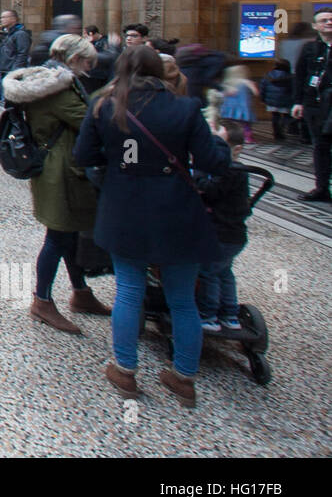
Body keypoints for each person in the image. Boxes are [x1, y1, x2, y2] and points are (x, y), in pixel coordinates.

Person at [74, 45, 232, 408]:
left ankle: (126, 371)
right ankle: (184, 378)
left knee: (129, 290)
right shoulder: (185, 107)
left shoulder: (105, 106)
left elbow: (83, 156)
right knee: (181, 298)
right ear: (159, 71)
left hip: (125, 206)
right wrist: (221, 144)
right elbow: (212, 160)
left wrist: (119, 158)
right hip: (176, 207)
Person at [4, 34, 109, 335]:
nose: (91, 67)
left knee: (69, 233)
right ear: (73, 59)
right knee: (59, 236)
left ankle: (81, 293)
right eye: (88, 61)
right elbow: (88, 121)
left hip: (61, 165)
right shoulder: (57, 88)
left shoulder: (51, 80)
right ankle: (42, 301)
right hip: (61, 169)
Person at [195, 121, 251, 333]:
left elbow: (210, 190)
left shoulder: (229, 171)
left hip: (220, 234)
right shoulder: (237, 172)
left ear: (236, 150)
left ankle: (208, 315)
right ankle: (229, 314)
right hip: (235, 236)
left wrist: (198, 175)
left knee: (208, 272)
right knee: (224, 272)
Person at [292, 7, 332, 201]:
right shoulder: (310, 48)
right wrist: (297, 102)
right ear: (316, 26)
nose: (329, 23)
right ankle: (322, 187)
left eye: (331, 19)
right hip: (314, 104)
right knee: (320, 146)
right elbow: (300, 77)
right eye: (324, 20)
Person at [0, 10, 31, 99]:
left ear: (13, 19)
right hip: (4, 71)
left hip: (11, 72)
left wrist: (14, 72)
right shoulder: (9, 34)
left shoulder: (20, 34)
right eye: (1, 17)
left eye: (4, 17)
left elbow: (22, 53)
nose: (1, 20)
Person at [218, 64, 258, 143]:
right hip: (244, 106)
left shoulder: (226, 83)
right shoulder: (246, 82)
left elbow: (221, 95)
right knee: (246, 124)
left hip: (229, 108)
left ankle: (230, 137)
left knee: (230, 124)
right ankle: (247, 138)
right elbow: (256, 93)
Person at [260, 58, 295, 142]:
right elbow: (294, 89)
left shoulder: (268, 75)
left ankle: (277, 133)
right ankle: (283, 128)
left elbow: (263, 88)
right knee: (287, 116)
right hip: (286, 100)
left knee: (275, 116)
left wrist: (263, 99)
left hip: (271, 101)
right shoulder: (290, 77)